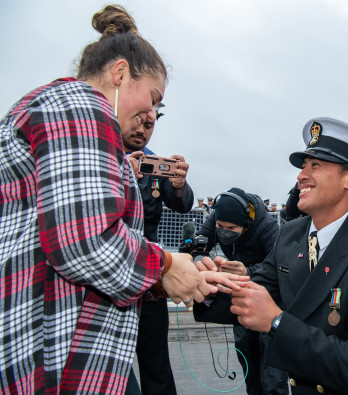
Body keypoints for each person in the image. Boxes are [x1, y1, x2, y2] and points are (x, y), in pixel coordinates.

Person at [0, 5, 244, 393]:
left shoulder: (61, 111)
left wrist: (181, 276)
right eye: (152, 97)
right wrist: (164, 265)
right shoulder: (81, 107)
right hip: (57, 357)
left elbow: (78, 245)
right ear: (119, 73)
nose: (152, 113)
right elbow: (83, 243)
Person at [195, 117, 348, 394]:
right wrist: (208, 287)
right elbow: (258, 290)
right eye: (303, 166)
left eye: (316, 166)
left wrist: (276, 321)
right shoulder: (292, 233)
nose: (301, 176)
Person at [193, 187, 288, 395]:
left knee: (271, 362)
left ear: (246, 224)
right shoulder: (217, 218)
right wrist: (203, 264)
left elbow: (279, 267)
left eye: (231, 228)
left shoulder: (268, 227)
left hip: (270, 296)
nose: (224, 231)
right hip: (241, 296)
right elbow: (197, 248)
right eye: (220, 227)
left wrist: (248, 271)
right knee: (245, 350)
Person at [126, 111, 194, 393]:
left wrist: (179, 185)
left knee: (155, 359)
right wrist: (119, 174)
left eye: (150, 124)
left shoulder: (154, 163)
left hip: (149, 274)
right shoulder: (100, 158)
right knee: (109, 366)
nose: (142, 129)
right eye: (138, 121)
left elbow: (183, 205)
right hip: (109, 268)